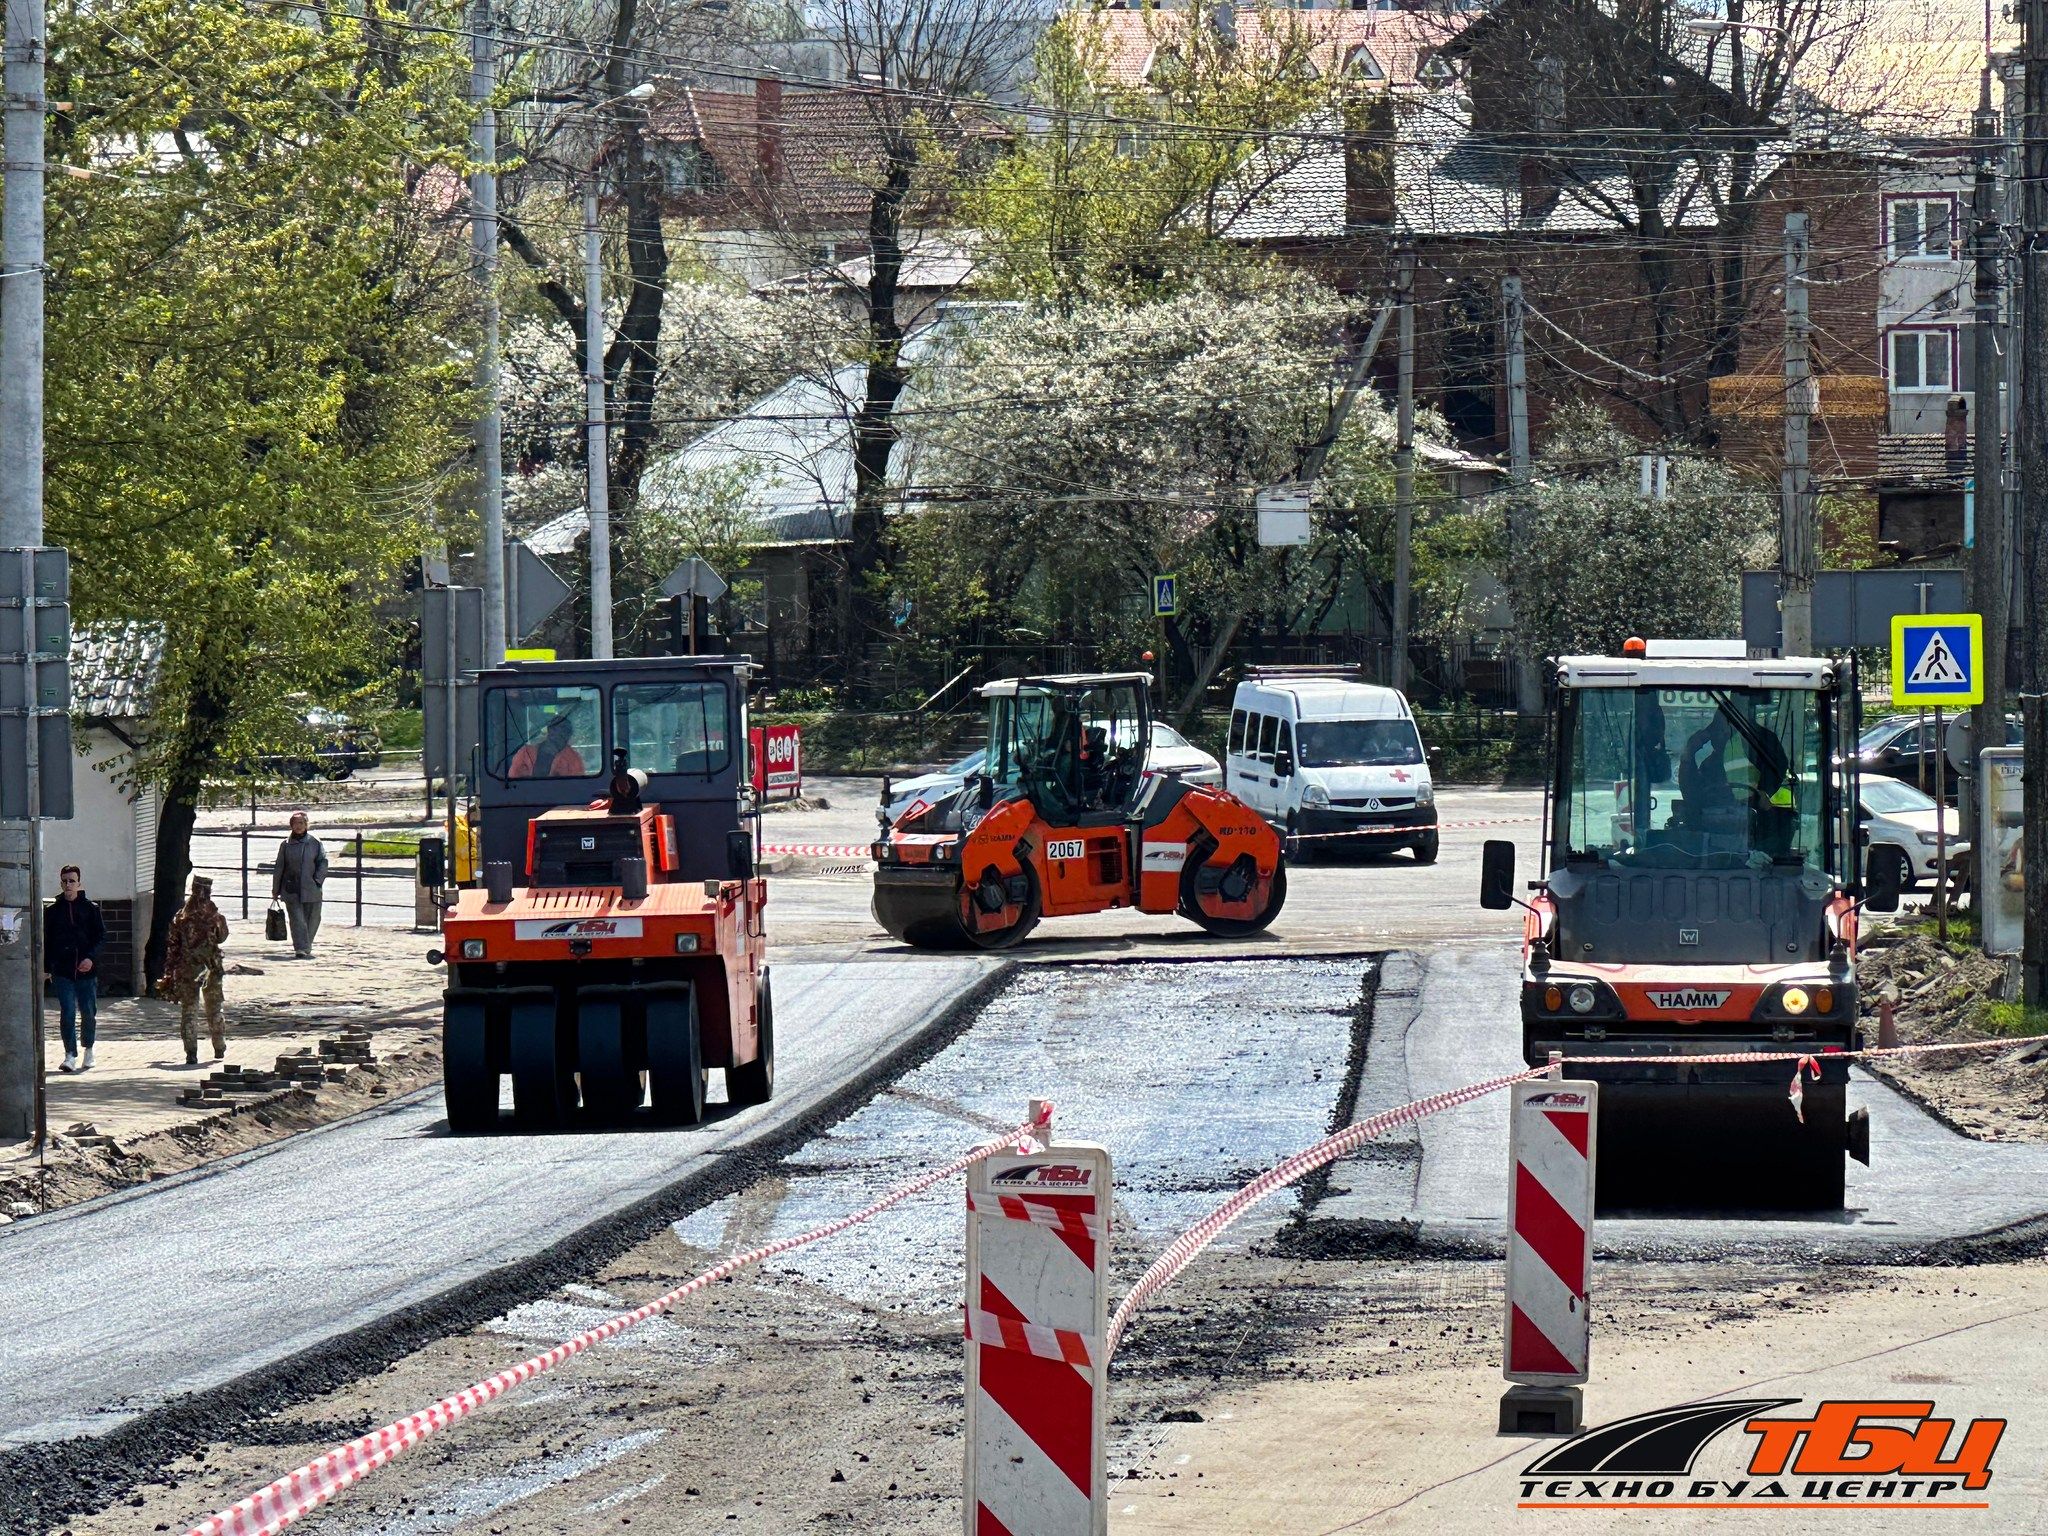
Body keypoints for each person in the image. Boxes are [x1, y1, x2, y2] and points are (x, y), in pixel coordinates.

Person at [161, 875, 230, 1066]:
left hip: (188, 969)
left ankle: (191, 1052)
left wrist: (170, 970)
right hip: (211, 967)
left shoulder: (181, 917)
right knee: (214, 1008)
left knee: (189, 1010)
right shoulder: (215, 916)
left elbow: (173, 946)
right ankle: (219, 1046)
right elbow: (222, 937)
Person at [44, 865, 104, 1073]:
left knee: (88, 1012)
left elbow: (100, 937)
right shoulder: (52, 911)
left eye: (72, 881)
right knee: (67, 1012)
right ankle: (70, 1054)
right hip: (63, 971)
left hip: (87, 971)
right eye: (65, 881)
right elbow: (47, 941)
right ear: (61, 883)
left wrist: (90, 958)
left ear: (79, 883)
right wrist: (46, 968)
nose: (68, 885)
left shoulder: (91, 909)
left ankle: (89, 1049)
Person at [272, 811, 328, 958]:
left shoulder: (315, 842)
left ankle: (307, 944)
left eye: (301, 823)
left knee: (313, 918)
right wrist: (276, 888)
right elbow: (279, 867)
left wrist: (318, 880)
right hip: (291, 888)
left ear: (306, 825)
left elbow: (322, 862)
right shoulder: (286, 845)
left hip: (312, 887)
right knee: (297, 919)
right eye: (295, 823)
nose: (299, 826)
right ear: (291, 825)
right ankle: (301, 947)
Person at [509, 714, 587, 779]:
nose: (559, 734)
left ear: (569, 735)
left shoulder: (573, 759)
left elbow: (577, 786)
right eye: (555, 729)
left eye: (564, 730)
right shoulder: (525, 753)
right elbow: (512, 778)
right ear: (549, 730)